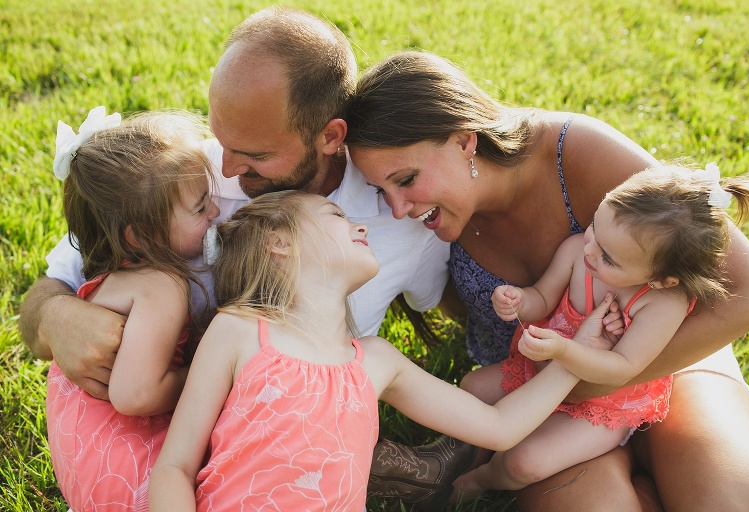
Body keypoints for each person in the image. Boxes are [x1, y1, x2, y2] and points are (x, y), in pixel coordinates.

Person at [19, 7, 461, 510]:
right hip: (172, 433)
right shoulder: (185, 178)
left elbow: (446, 302)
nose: (227, 168)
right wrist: (54, 316)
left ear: (330, 137)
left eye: (255, 155)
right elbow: (58, 281)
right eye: (222, 140)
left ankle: (411, 471)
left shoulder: (401, 220)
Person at [345, 50, 749, 511]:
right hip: (535, 397)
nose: (397, 208)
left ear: (464, 141)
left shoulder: (575, 150)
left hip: (668, 361)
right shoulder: (421, 220)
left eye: (407, 179)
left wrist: (588, 378)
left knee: (726, 503)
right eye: (381, 191)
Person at [148, 190, 616, 511]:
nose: (359, 226)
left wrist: (578, 355)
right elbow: (175, 465)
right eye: (336, 216)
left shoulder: (375, 360)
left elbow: (499, 426)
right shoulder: (240, 330)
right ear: (280, 243)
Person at [452, 164, 749, 497]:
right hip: (540, 371)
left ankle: (484, 480)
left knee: (524, 463)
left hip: (602, 405)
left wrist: (563, 350)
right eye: (594, 228)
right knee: (473, 388)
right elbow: (542, 298)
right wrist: (519, 302)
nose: (589, 249)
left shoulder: (662, 304)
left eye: (608, 258)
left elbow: (623, 367)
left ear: (661, 280)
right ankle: (467, 456)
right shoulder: (580, 251)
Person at [45, 107, 220, 510]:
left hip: (86, 463)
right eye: (200, 207)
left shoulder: (112, 276)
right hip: (135, 473)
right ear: (141, 236)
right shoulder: (162, 285)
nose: (215, 211)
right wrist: (207, 375)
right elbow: (136, 395)